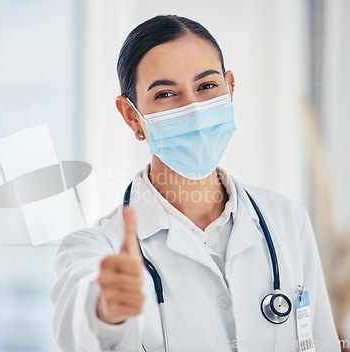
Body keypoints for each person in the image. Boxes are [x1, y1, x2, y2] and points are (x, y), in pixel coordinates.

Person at [48, 15, 341, 352]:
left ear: (230, 88)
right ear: (132, 116)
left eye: (206, 86)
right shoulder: (96, 250)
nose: (194, 109)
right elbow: (80, 331)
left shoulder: (288, 220)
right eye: (165, 93)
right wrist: (106, 311)